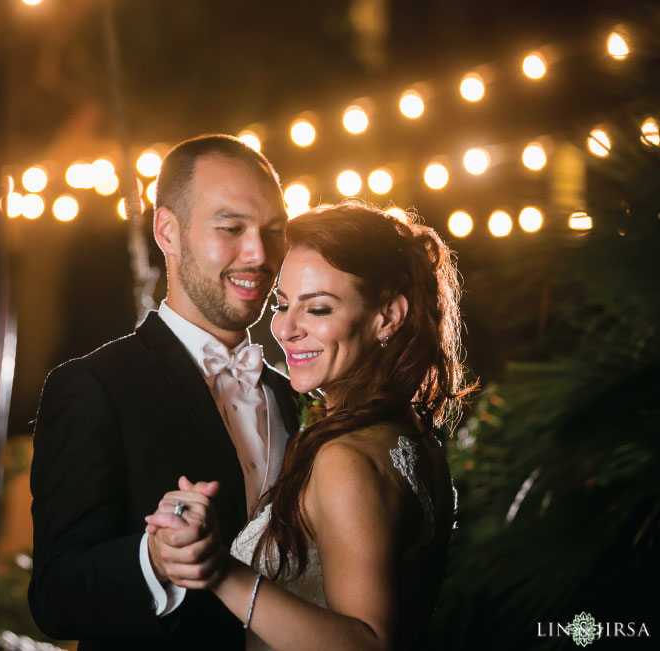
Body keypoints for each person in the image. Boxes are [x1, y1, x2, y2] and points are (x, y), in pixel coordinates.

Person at [146, 201, 475, 650]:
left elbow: (370, 643)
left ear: (388, 317)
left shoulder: (346, 458)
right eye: (283, 304)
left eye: (318, 309)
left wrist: (219, 571)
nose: (286, 328)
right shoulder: (409, 431)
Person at [28, 134, 301, 650]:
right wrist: (153, 562)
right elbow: (56, 597)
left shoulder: (294, 396)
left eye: (274, 231)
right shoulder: (92, 388)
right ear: (167, 231)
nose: (260, 253)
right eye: (231, 228)